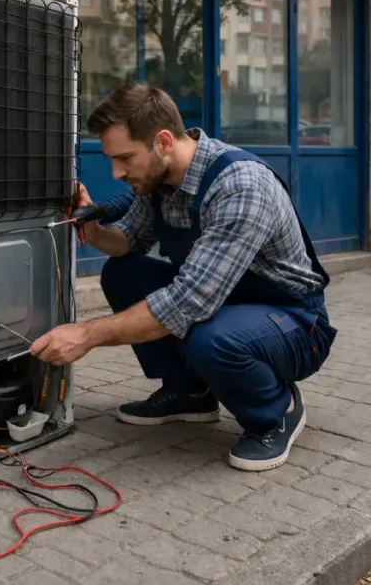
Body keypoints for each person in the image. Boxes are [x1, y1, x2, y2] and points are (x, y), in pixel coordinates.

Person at [29, 83, 336, 472]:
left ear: (162, 142)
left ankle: (277, 411)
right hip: (228, 308)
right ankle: (190, 392)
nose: (116, 172)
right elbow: (127, 242)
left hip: (294, 323)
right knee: (124, 273)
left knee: (210, 339)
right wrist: (88, 224)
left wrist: (87, 335)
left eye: (124, 158)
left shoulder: (239, 185)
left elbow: (187, 302)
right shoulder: (160, 181)